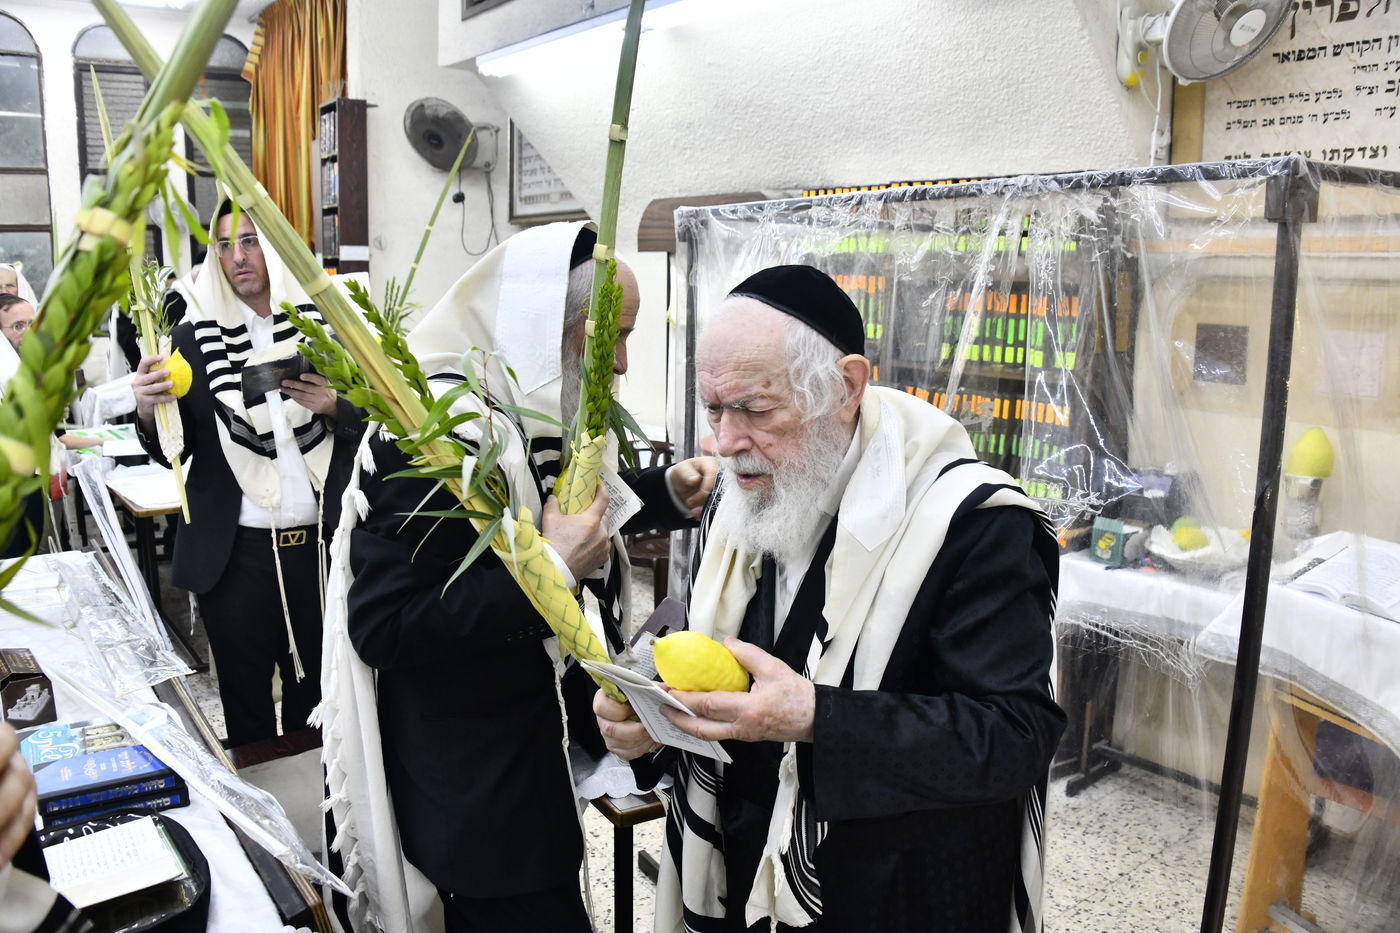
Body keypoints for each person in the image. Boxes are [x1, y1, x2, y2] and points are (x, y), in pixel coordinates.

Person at [595, 264, 1066, 933]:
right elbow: (719, 671)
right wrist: (655, 722)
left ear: (844, 387)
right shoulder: (738, 498)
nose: (725, 442)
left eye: (755, 409)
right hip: (740, 867)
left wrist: (818, 716)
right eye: (713, 407)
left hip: (889, 890)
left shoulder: (971, 522)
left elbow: (1015, 736)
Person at [332, 222, 715, 933]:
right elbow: (386, 625)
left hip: (542, 755)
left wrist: (661, 491)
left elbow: (541, 507)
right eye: (610, 339)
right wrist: (552, 570)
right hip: (478, 793)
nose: (623, 364)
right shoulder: (432, 432)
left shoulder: (519, 407)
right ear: (547, 327)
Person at [131, 201, 364, 747]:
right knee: (246, 708)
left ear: (278, 247)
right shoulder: (191, 339)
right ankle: (263, 829)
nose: (238, 256)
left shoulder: (326, 327)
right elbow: (172, 443)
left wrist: (335, 405)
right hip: (235, 554)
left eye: (251, 241)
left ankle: (327, 827)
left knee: (323, 706)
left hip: (321, 550)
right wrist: (147, 408)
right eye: (225, 245)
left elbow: (380, 416)